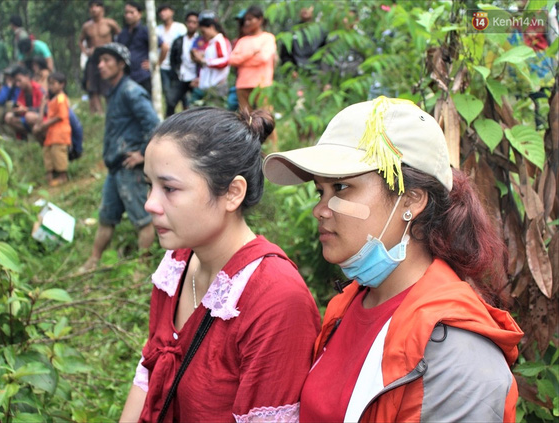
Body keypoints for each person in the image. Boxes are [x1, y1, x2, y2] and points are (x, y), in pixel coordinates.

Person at [263, 96, 524, 422]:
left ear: (411, 200)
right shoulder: (348, 306)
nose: (320, 209)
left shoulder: (457, 353)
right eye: (321, 191)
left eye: (341, 187)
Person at [119, 107, 321, 423]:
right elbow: (148, 374)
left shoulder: (275, 299)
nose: (150, 203)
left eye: (169, 188)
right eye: (150, 185)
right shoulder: (178, 262)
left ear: (232, 193)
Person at [79, 43, 159, 272]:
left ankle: (141, 269)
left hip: (128, 169)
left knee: (142, 220)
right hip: (115, 168)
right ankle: (93, 261)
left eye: (106, 60)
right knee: (106, 217)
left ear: (121, 64)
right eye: (99, 61)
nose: (101, 66)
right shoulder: (115, 92)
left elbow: (154, 124)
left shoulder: (131, 91)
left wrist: (143, 155)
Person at [229, 5, 276, 113]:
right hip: (242, 84)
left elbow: (263, 58)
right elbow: (232, 60)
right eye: (246, 20)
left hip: (262, 85)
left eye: (250, 19)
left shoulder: (268, 38)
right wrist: (252, 53)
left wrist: (242, 61)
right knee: (245, 120)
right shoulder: (242, 41)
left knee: (265, 118)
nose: (247, 23)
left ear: (260, 20)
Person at [79, 0, 121, 115]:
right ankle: (98, 113)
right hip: (93, 59)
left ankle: (111, 110)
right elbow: (80, 41)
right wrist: (86, 51)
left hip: (107, 57)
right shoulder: (87, 26)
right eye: (91, 7)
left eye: (97, 6)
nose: (94, 9)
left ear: (102, 9)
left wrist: (114, 50)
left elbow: (120, 36)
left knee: (108, 85)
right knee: (92, 87)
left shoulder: (110, 23)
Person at [117, 1, 165, 95]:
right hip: (127, 77)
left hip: (143, 76)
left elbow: (164, 47)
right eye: (126, 13)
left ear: (139, 14)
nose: (128, 15)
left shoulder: (145, 30)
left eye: (131, 12)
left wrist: (157, 63)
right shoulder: (123, 33)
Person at [33, 72, 71, 187]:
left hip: (60, 133)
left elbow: (60, 116)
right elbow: (41, 120)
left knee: (58, 153)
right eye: (49, 84)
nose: (51, 87)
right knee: (48, 152)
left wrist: (45, 125)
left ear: (62, 84)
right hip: (52, 133)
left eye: (53, 84)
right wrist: (42, 105)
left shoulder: (61, 98)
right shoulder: (52, 101)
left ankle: (62, 176)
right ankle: (50, 175)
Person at [190, 10, 232, 109]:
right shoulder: (211, 43)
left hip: (216, 88)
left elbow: (225, 60)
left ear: (212, 27)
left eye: (204, 31)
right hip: (207, 88)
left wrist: (204, 61)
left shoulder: (220, 41)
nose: (203, 35)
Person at [155, 4, 187, 116]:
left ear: (172, 12)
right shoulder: (157, 30)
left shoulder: (180, 28)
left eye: (165, 10)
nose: (163, 13)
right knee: (169, 96)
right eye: (161, 11)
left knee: (183, 95)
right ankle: (169, 118)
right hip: (163, 67)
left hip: (179, 67)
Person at [166, 11, 200, 115]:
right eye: (189, 22)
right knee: (171, 101)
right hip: (181, 76)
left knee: (195, 105)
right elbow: (172, 58)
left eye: (194, 22)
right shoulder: (178, 41)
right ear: (186, 23)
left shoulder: (201, 41)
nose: (191, 25)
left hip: (196, 78)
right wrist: (175, 72)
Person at [279, 6, 327, 75]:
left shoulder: (322, 31)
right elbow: (284, 55)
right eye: (302, 6)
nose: (305, 9)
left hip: (317, 74)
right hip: (298, 75)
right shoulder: (291, 31)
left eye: (308, 6)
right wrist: (291, 71)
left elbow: (326, 52)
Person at [3, 66, 45, 140]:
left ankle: (39, 137)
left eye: (19, 81)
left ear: (27, 77)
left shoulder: (39, 89)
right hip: (26, 120)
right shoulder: (21, 92)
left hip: (42, 119)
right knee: (8, 117)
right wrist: (16, 111)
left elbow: (46, 110)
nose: (18, 84)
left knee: (29, 116)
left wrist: (26, 109)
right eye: (16, 82)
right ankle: (26, 137)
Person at [0, 66, 20, 136]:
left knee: (10, 104)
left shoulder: (18, 87)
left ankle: (12, 133)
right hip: (5, 110)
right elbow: (0, 100)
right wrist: (8, 87)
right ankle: (0, 131)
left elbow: (17, 100)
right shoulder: (6, 87)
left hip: (16, 110)